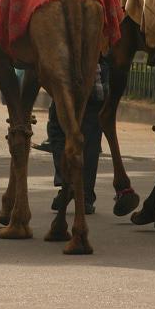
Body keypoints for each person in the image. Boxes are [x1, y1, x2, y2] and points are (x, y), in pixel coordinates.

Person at [45, 61, 106, 215]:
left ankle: (68, 182)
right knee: (91, 140)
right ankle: (85, 197)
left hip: (66, 87)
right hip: (94, 85)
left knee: (57, 130)